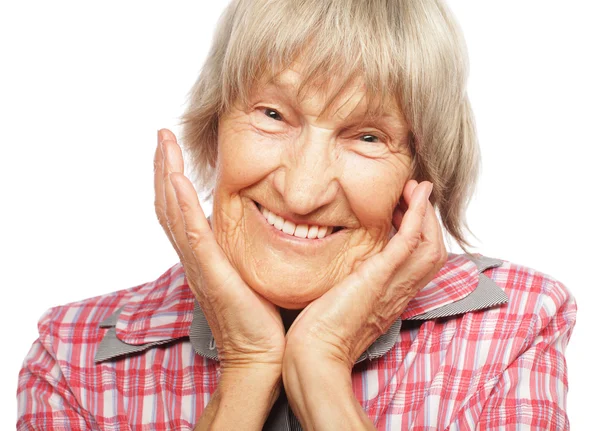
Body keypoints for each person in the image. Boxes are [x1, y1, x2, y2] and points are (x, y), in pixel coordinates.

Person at [16, 0, 577, 429]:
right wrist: (246, 368)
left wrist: (323, 366)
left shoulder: (516, 325)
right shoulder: (72, 356)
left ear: (419, 177)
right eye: (273, 114)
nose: (303, 191)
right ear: (214, 129)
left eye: (366, 136)